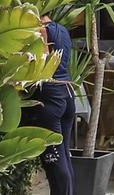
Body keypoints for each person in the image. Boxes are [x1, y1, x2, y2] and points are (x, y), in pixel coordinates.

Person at [23, 15, 75, 195]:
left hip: (50, 97)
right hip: (67, 93)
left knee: (54, 159)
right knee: (64, 156)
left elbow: (41, 60)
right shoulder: (63, 30)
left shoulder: (41, 31)